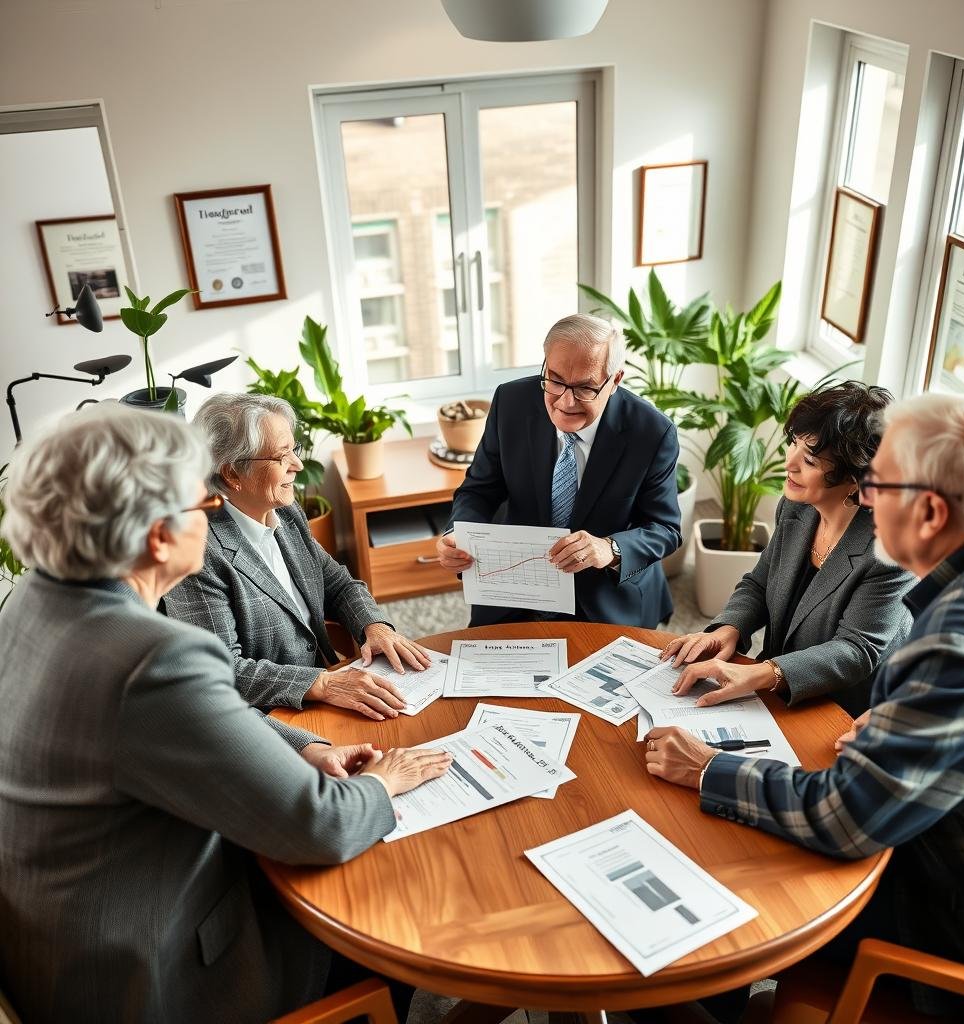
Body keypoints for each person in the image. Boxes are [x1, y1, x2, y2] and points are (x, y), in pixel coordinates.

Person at [0, 405, 451, 1024]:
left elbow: (181, 730)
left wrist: (300, 746)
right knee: (391, 917)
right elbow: (321, 825)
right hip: (153, 972)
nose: (213, 514)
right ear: (160, 535)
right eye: (204, 506)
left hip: (60, 945)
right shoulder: (152, 659)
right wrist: (386, 779)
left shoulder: (30, 601)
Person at [643, 392, 964, 1019]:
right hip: (944, 826)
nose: (867, 499)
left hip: (961, 909)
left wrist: (707, 767)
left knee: (700, 911)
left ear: (928, 510)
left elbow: (844, 820)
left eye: (877, 485)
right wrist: (906, 714)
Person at [163, 393, 430, 722]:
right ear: (232, 474)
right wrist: (325, 683)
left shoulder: (286, 512)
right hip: (271, 719)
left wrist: (374, 627)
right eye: (280, 456)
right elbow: (222, 670)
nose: (298, 465)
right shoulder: (196, 553)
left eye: (294, 449)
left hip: (331, 686)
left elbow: (337, 583)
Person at [663, 381, 914, 716]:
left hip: (841, 710)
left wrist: (763, 672)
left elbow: (856, 650)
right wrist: (729, 628)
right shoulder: (798, 507)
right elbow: (759, 583)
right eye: (794, 443)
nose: (789, 462)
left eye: (809, 459)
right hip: (776, 687)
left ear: (855, 479)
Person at [436, 313, 681, 627]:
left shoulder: (652, 432)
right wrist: (459, 534)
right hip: (514, 582)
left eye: (585, 388)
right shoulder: (511, 402)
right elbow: (480, 489)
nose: (566, 402)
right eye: (555, 381)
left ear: (615, 380)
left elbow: (664, 528)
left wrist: (610, 548)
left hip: (607, 596)